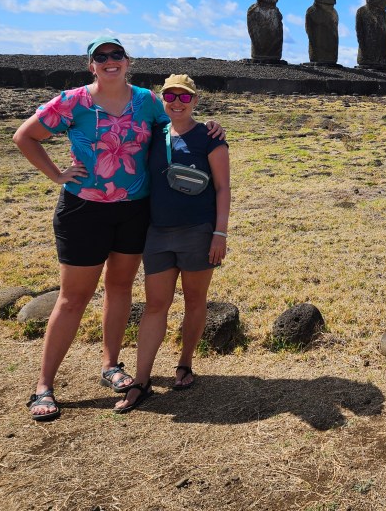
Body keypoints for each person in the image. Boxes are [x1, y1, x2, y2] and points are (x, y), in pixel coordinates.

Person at [14, 37, 222, 422]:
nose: (110, 61)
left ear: (128, 62)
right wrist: (57, 174)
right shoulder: (73, 101)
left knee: (120, 287)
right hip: (83, 209)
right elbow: (25, 136)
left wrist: (210, 125)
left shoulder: (146, 101)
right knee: (73, 298)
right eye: (101, 57)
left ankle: (111, 365)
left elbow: (178, 124)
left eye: (116, 55)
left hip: (133, 210)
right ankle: (44, 384)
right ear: (91, 65)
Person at [115, 74, 230, 412]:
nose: (177, 102)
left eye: (185, 97)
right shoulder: (153, 134)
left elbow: (223, 188)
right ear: (162, 100)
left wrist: (219, 234)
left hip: (198, 231)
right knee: (155, 305)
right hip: (159, 233)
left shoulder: (210, 138)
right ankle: (141, 381)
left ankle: (185, 363)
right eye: (171, 97)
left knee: (196, 301)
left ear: (195, 101)